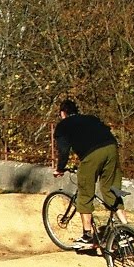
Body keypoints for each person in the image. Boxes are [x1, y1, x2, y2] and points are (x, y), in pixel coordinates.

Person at [53, 98, 128, 249]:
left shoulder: (63, 126)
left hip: (92, 154)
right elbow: (106, 131)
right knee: (111, 190)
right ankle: (126, 230)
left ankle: (87, 236)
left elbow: (63, 151)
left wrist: (60, 168)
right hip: (111, 148)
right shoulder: (91, 118)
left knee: (85, 194)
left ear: (63, 113)